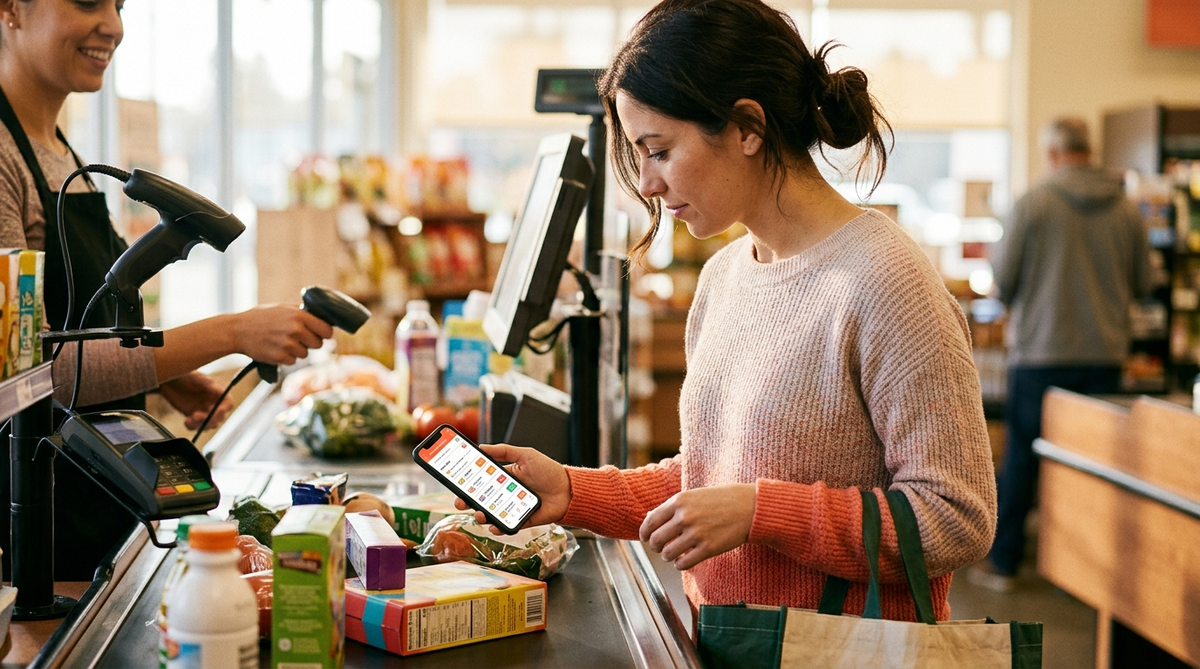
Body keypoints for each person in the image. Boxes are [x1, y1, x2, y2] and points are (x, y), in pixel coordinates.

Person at [461, 0, 997, 622]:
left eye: (659, 150)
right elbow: (713, 481)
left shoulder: (887, 284)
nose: (648, 184)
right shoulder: (724, 277)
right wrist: (574, 490)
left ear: (747, 126)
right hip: (726, 641)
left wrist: (760, 512)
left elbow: (957, 518)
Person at [0, 0, 333, 579]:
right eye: (87, 1)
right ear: (11, 8)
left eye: (119, 5)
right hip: (38, 530)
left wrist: (167, 377)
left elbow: (80, 321)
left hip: (99, 498)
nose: (113, 26)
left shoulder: (58, 152)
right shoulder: (4, 160)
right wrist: (233, 332)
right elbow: (36, 375)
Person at [972, 117, 1151, 591]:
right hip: (1105, 355)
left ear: (1052, 153)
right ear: (1090, 150)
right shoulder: (1127, 210)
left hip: (1041, 354)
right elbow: (1144, 282)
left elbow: (1003, 280)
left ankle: (1005, 563)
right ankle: (1090, 575)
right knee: (1094, 465)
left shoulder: (1033, 203)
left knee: (1024, 458)